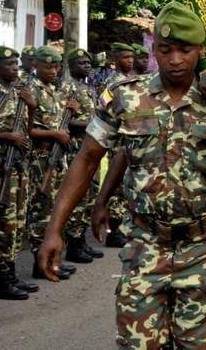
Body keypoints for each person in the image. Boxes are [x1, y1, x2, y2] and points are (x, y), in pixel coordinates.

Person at [39, 1, 206, 349]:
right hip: (145, 245)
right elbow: (89, 159)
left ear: (200, 50)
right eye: (165, 50)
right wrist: (56, 229)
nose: (175, 60)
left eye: (185, 50)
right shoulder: (125, 96)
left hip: (199, 249)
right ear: (153, 49)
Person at [0, 46, 40, 298]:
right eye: (9, 64)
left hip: (19, 165)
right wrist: (7, 136)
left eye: (16, 63)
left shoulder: (18, 92)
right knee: (2, 222)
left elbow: (28, 128)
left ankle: (10, 275)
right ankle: (1, 280)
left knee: (16, 222)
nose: (15, 67)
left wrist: (32, 106)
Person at [27, 46, 79, 280]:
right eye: (48, 66)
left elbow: (62, 124)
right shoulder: (30, 90)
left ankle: (52, 259)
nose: (53, 71)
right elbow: (26, 130)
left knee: (56, 206)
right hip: (39, 159)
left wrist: (72, 114)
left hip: (59, 158)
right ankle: (40, 263)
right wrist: (53, 134)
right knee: (41, 209)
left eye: (56, 66)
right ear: (35, 65)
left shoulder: (56, 91)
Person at [62, 48, 104, 264]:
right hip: (77, 147)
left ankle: (80, 240)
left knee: (89, 195)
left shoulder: (88, 87)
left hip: (91, 145)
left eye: (88, 63)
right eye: (81, 63)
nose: (86, 66)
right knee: (78, 195)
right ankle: (73, 244)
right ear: (70, 66)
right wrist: (90, 125)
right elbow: (63, 122)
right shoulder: (67, 88)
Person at [102, 42, 136, 246]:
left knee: (127, 186)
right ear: (115, 61)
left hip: (128, 141)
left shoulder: (130, 81)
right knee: (117, 187)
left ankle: (123, 226)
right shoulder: (112, 84)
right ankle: (114, 231)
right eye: (125, 57)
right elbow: (106, 112)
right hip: (117, 142)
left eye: (131, 57)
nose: (130, 60)